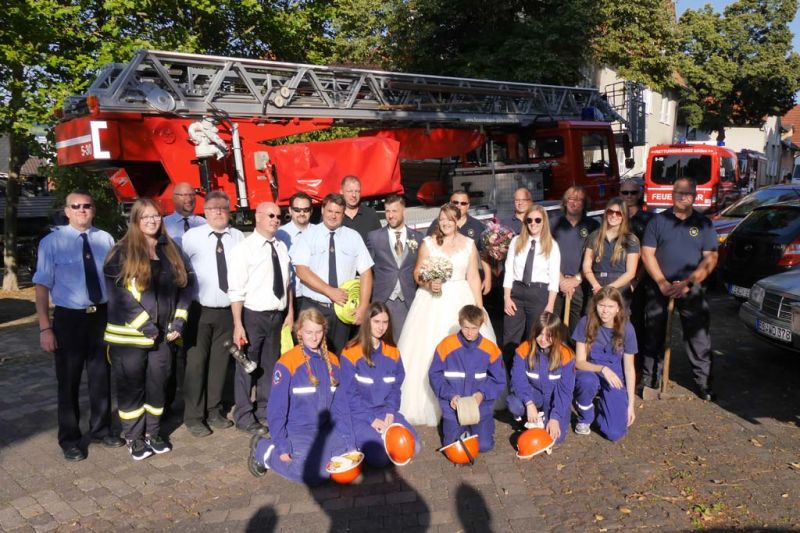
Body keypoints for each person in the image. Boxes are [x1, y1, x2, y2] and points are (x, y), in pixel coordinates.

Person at [33, 191, 123, 461]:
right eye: (75, 206)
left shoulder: (105, 239)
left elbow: (114, 280)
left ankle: (101, 429)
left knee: (101, 376)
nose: (81, 210)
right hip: (69, 320)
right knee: (68, 381)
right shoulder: (51, 243)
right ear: (67, 211)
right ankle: (70, 439)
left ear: (93, 209)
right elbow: (41, 287)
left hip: (101, 317)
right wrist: (45, 328)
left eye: (86, 206)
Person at [103, 199, 195, 460]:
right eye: (145, 217)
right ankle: (133, 437)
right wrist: (144, 325)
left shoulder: (171, 249)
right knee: (131, 389)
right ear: (135, 221)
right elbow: (117, 294)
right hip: (129, 338)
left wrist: (179, 321)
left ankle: (152, 433)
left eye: (156, 216)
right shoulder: (120, 252)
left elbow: (187, 285)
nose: (152, 221)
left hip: (164, 336)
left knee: (158, 386)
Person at [399, 204, 496, 427]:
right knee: (428, 348)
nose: (445, 223)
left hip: (461, 297)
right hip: (432, 301)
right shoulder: (428, 243)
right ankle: (435, 401)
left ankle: (468, 397)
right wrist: (428, 283)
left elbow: (473, 276)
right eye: (442, 219)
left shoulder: (469, 244)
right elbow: (417, 272)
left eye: (450, 219)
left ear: (457, 221)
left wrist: (479, 307)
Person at [247, 308, 348, 485]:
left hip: (324, 430)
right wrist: (282, 445)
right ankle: (264, 449)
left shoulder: (333, 361)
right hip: (298, 431)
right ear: (299, 331)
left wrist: (349, 438)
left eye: (318, 332)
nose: (314, 338)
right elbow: (277, 409)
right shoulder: (288, 363)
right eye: (309, 332)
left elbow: (340, 405)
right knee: (311, 474)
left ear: (324, 331)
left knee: (348, 461)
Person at [641, 177, 718, 401]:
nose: (682, 196)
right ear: (672, 194)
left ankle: (703, 383)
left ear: (695, 196)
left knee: (698, 337)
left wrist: (688, 283)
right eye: (678, 192)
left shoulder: (704, 224)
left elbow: (711, 258)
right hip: (659, 287)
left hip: (691, 289)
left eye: (687, 193)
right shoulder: (658, 221)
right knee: (654, 332)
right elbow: (647, 253)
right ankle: (650, 378)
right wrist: (662, 282)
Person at [181, 191, 245, 437]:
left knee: (220, 364)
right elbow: (181, 271)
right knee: (196, 364)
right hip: (199, 310)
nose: (218, 212)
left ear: (229, 211)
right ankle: (194, 416)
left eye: (223, 208)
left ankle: (214, 410)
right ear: (205, 212)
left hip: (227, 311)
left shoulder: (238, 237)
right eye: (213, 208)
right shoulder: (191, 237)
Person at [228, 202, 292, 435]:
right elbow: (236, 290)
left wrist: (290, 312)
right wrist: (238, 324)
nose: (276, 220)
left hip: (277, 315)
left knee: (270, 365)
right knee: (246, 366)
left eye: (279, 216)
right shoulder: (244, 249)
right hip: (253, 315)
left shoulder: (281, 247)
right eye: (271, 215)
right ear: (258, 217)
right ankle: (244, 415)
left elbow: (287, 284)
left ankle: (264, 409)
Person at [336, 302, 420, 467]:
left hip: (385, 412)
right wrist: (371, 419)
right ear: (367, 321)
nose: (381, 327)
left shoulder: (393, 351)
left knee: (414, 448)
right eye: (376, 322)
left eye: (385, 322)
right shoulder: (350, 352)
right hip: (360, 415)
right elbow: (349, 394)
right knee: (380, 458)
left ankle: (381, 440)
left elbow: (395, 387)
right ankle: (357, 442)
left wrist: (390, 412)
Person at [292, 193, 374, 353]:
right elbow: (301, 270)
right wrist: (330, 291)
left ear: (343, 214)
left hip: (342, 309)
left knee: (338, 355)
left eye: (338, 212)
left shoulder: (353, 237)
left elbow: (366, 272)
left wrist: (364, 306)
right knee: (310, 355)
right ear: (323, 210)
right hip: (314, 307)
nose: (333, 216)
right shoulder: (308, 235)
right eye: (330, 211)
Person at [428, 305, 505, 452]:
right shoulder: (446, 345)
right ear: (460, 323)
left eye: (474, 328)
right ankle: (453, 426)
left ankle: (479, 427)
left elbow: (498, 380)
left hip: (479, 407)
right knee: (454, 449)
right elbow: (435, 374)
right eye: (466, 328)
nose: (469, 333)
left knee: (483, 446)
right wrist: (450, 395)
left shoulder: (490, 349)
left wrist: (482, 394)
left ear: (481, 325)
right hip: (453, 407)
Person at [573, 287, 637, 441]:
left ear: (618, 308)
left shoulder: (627, 329)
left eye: (610, 306)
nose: (605, 311)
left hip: (615, 375)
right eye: (601, 305)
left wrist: (630, 405)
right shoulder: (585, 322)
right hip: (590, 370)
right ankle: (585, 415)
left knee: (614, 433)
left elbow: (629, 369)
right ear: (595, 305)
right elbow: (579, 362)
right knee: (586, 382)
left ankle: (605, 406)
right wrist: (602, 369)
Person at [508, 312, 575, 444]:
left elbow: (565, 391)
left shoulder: (567, 355)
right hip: (534, 395)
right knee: (515, 404)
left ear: (557, 335)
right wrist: (529, 403)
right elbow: (517, 380)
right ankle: (526, 418)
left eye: (549, 335)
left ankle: (548, 418)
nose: (543, 339)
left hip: (554, 399)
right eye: (540, 334)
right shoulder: (523, 349)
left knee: (554, 439)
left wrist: (555, 418)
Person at [502, 205, 561, 357]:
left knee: (534, 336)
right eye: (529, 220)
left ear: (544, 222)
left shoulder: (552, 245)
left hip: (538, 294)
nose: (533, 223)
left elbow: (554, 279)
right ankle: (509, 370)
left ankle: (532, 369)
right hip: (516, 292)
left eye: (537, 220)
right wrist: (507, 297)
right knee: (510, 336)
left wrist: (550, 305)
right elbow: (509, 271)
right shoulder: (516, 241)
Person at [366, 195, 424, 338]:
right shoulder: (374, 237)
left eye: (394, 211)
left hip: (407, 299)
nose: (390, 215)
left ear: (403, 210)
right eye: (387, 211)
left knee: (405, 341)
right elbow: (367, 270)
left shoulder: (417, 237)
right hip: (382, 299)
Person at [550, 186, 599, 333]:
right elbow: (545, 253)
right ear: (565, 202)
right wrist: (561, 280)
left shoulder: (593, 226)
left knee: (577, 326)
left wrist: (575, 280)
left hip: (580, 283)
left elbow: (596, 258)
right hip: (555, 281)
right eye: (570, 199)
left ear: (584, 204)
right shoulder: (553, 223)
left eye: (579, 200)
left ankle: (573, 348)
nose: (574, 203)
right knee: (553, 324)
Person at [427, 190, 492, 295]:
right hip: (444, 282)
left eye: (463, 203)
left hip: (470, 280)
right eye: (455, 202)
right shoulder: (438, 224)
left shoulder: (477, 226)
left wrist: (488, 278)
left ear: (468, 206)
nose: (459, 205)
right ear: (450, 203)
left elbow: (483, 254)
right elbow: (428, 252)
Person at [582, 198, 640, 308]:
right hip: (596, 285)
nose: (614, 215)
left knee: (617, 318)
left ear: (624, 216)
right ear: (606, 213)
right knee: (592, 317)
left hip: (619, 287)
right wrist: (595, 285)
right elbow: (586, 265)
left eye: (618, 213)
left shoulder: (631, 240)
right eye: (610, 212)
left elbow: (631, 273)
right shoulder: (594, 236)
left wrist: (609, 288)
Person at [341, 175, 381, 243]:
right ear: (341, 192)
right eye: (350, 191)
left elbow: (379, 241)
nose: (354, 195)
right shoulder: (334, 214)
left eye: (357, 191)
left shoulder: (370, 214)